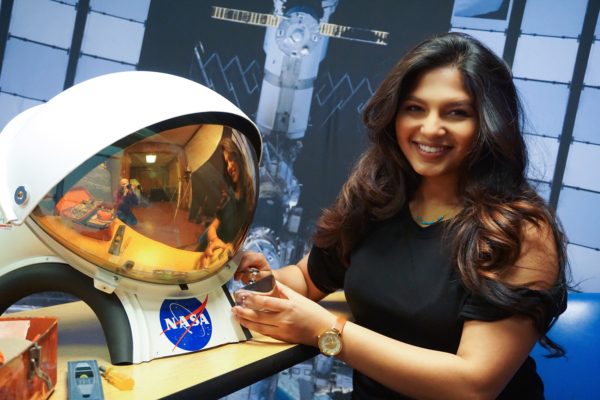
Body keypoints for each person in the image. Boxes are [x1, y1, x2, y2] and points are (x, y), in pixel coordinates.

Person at [231, 32, 569, 399]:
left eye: (456, 112)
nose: (430, 128)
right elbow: (306, 278)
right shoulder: (378, 201)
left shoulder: (520, 232)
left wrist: (326, 332)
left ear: (489, 123)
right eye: (414, 108)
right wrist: (260, 280)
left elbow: (473, 385)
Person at [197, 137, 254, 260]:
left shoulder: (250, 197)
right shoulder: (228, 196)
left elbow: (245, 235)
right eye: (226, 162)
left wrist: (232, 246)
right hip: (213, 252)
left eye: (231, 160)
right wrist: (215, 240)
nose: (229, 167)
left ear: (240, 159)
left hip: (227, 259)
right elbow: (212, 227)